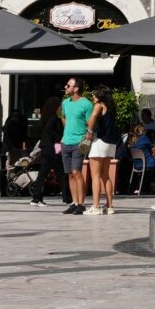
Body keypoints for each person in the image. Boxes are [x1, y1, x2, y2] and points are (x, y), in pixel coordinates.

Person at [56, 79, 95, 215]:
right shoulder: (65, 103)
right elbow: (63, 116)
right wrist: (66, 131)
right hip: (66, 142)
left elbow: (91, 121)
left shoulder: (86, 104)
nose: (65, 87)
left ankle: (81, 204)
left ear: (76, 88)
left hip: (79, 142)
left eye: (68, 85)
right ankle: (74, 202)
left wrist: (88, 135)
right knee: (70, 174)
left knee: (77, 172)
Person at [87, 93, 120, 215]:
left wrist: (89, 131)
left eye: (94, 95)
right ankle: (109, 205)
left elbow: (94, 117)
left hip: (100, 141)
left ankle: (95, 206)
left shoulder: (99, 105)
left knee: (95, 176)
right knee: (105, 175)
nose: (93, 97)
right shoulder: (111, 107)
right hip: (111, 143)